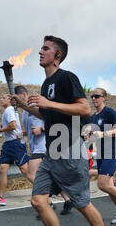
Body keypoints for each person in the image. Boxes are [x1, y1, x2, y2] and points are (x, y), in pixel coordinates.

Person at [14, 35, 116, 226]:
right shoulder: (45, 84)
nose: (40, 52)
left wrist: (49, 103)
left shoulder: (66, 77)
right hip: (51, 154)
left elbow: (83, 108)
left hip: (70, 150)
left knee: (82, 204)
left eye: (45, 48)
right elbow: (46, 115)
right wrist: (24, 105)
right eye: (41, 48)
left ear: (57, 55)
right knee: (38, 200)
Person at [15, 85, 74, 217]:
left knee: (31, 174)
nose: (17, 102)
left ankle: (46, 202)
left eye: (18, 98)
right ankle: (68, 199)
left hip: (43, 146)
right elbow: (32, 128)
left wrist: (41, 130)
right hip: (35, 146)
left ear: (24, 95)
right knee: (52, 175)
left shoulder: (34, 105)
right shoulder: (25, 111)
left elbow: (52, 120)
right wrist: (23, 133)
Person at [84, 87, 116, 224]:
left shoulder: (109, 112)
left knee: (102, 184)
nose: (94, 98)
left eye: (97, 96)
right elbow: (93, 136)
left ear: (104, 97)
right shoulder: (93, 117)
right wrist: (87, 136)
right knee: (109, 186)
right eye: (92, 96)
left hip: (111, 151)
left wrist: (104, 133)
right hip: (101, 153)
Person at [0, 94, 30, 206]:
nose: (1, 99)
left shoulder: (9, 110)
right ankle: (1, 198)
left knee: (25, 170)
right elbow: (10, 125)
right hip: (8, 144)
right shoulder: (8, 111)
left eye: (3, 98)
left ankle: (45, 190)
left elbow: (13, 126)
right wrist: (1, 126)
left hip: (15, 144)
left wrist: (0, 129)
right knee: (2, 168)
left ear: (10, 100)